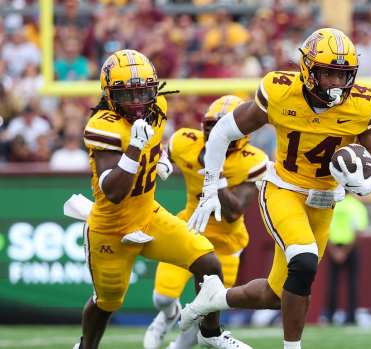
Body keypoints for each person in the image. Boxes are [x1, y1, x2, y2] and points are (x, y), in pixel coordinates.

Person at [180, 28, 371, 349]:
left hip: (324, 201)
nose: (337, 83)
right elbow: (223, 131)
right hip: (284, 189)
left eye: (343, 75)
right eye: (329, 74)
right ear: (308, 71)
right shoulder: (281, 93)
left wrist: (367, 184)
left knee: (276, 294)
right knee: (305, 260)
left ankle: (214, 298)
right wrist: (212, 185)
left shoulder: (361, 106)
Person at [74, 49, 248, 349]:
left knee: (207, 261)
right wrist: (135, 150)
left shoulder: (158, 106)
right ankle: (86, 346)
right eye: (128, 95)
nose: (138, 102)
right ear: (109, 95)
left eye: (144, 92)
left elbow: (156, 142)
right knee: (107, 302)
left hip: (148, 216)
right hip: (110, 228)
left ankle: (210, 333)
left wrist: (160, 158)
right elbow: (113, 192)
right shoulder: (102, 126)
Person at [143, 95, 268, 349]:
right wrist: (160, 160)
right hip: (189, 229)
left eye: (222, 128)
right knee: (162, 297)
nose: (215, 133)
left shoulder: (253, 160)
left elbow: (234, 211)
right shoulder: (185, 142)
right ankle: (168, 315)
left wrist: (216, 174)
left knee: (205, 310)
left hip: (225, 242)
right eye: (211, 125)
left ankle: (178, 347)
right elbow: (163, 152)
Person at [325, 195, 368, 325]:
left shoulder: (331, 205)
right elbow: (359, 232)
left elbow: (324, 229)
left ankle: (330, 316)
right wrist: (344, 252)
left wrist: (334, 251)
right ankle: (351, 317)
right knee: (352, 284)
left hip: (333, 247)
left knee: (332, 284)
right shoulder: (357, 206)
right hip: (350, 249)